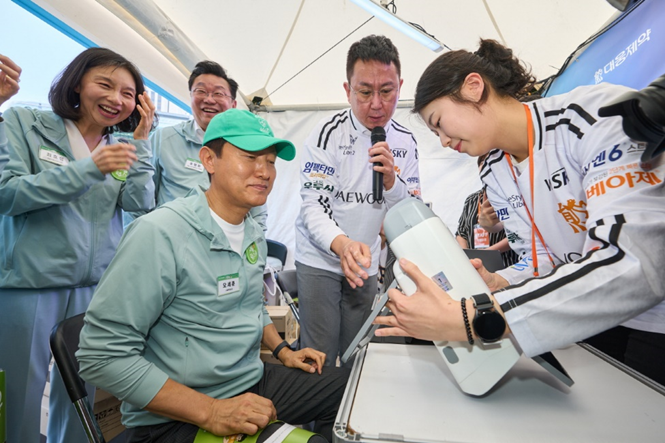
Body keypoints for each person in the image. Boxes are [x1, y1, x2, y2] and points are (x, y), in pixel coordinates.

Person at [374, 39, 665, 385]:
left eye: (439, 123)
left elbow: (633, 262)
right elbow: (539, 257)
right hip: (586, 317)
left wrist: (472, 318)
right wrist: (499, 282)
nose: (443, 142)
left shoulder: (590, 118)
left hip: (654, 321)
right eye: (434, 133)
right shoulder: (494, 169)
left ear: (473, 87)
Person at [78, 109, 350, 443]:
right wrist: (212, 411)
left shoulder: (251, 231)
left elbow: (251, 304)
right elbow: (100, 356)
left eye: (270, 161)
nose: (264, 172)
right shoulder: (160, 233)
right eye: (250, 157)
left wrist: (283, 351)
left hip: (248, 382)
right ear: (209, 159)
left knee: (353, 391)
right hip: (177, 414)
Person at [0, 49, 156, 443]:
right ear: (77, 84)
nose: (116, 99)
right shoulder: (25, 122)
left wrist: (141, 144)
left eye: (128, 93)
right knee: (20, 396)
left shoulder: (119, 145)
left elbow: (139, 203)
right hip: (30, 284)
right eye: (105, 84)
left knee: (80, 396)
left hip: (93, 287)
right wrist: (89, 168)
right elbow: (8, 194)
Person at [294, 35, 421, 367]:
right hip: (321, 257)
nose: (376, 104)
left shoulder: (406, 142)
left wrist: (391, 182)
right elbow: (313, 206)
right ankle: (320, 404)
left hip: (365, 260)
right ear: (347, 90)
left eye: (387, 91)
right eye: (365, 92)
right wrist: (343, 245)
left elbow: (410, 212)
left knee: (358, 353)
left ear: (400, 86)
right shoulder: (327, 134)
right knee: (319, 357)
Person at [124, 60, 267, 229]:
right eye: (201, 91)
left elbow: (257, 210)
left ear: (233, 105)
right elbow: (140, 200)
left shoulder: (247, 145)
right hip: (172, 240)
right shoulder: (164, 138)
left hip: (226, 241)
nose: (209, 99)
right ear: (190, 96)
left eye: (219, 93)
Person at [455, 154, 519, 268]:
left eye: (490, 162)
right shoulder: (472, 199)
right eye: (482, 162)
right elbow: (461, 232)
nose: (486, 166)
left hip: (505, 264)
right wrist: (466, 256)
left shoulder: (513, 196)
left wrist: (487, 254)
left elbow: (520, 233)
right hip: (474, 265)